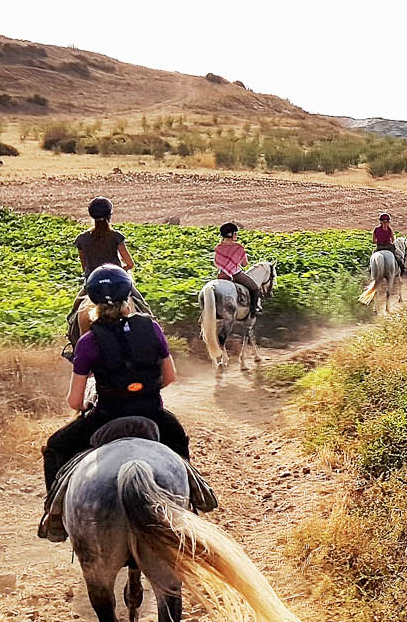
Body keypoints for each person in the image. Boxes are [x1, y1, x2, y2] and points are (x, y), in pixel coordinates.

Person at [40, 265, 198, 541]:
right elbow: (170, 377)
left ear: (93, 300)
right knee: (179, 440)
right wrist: (142, 391)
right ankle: (195, 502)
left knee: (55, 447)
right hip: (151, 413)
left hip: (106, 416)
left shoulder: (88, 342)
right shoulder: (151, 327)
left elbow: (75, 400)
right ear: (128, 297)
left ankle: (54, 517)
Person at [75, 197, 135, 279]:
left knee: (83, 291)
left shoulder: (81, 239)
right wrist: (122, 269)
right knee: (134, 291)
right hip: (115, 278)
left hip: (94, 280)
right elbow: (130, 264)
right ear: (109, 216)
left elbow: (85, 267)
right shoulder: (116, 237)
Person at [215, 222, 264, 315]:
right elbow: (245, 264)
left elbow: (217, 263)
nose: (236, 235)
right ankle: (254, 310)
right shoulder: (239, 248)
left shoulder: (218, 247)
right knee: (255, 288)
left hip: (222, 274)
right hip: (236, 274)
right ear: (231, 234)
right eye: (235, 233)